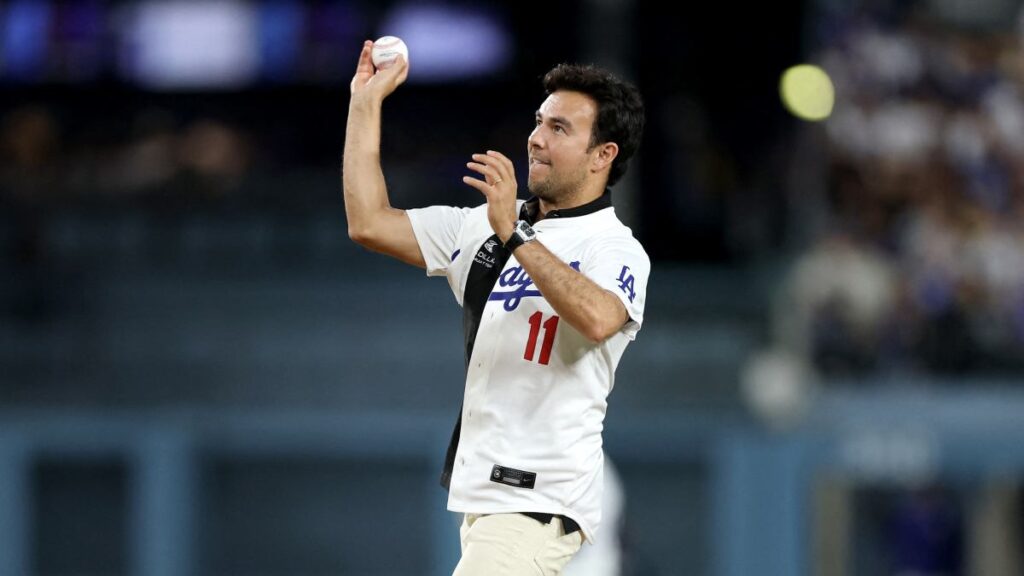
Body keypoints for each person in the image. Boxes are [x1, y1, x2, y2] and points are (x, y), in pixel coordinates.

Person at [343, 39, 649, 575]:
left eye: (560, 128)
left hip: (537, 501)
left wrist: (514, 229)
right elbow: (368, 221)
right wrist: (365, 103)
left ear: (604, 155)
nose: (536, 139)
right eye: (539, 121)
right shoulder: (483, 228)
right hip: (486, 500)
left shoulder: (612, 246)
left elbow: (599, 318)